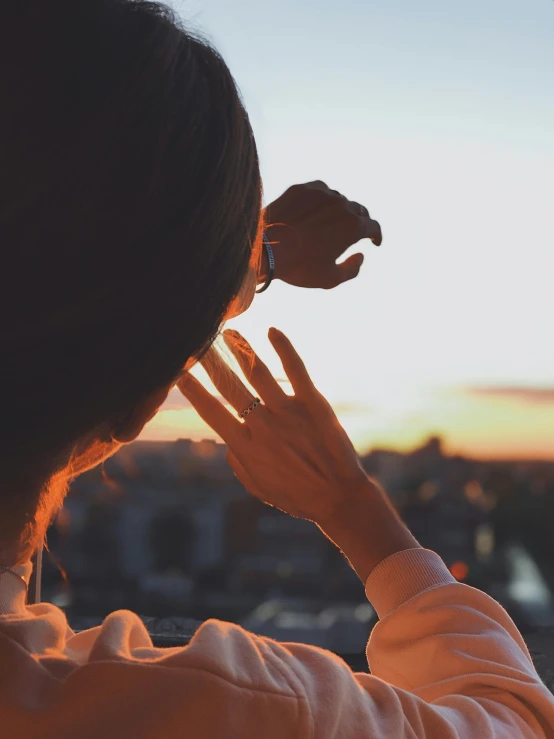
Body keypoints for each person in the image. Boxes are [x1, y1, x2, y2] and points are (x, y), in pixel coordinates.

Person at [0, 1, 552, 737]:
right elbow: (513, 715)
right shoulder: (219, 710)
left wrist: (246, 259)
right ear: (136, 406)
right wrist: (356, 507)